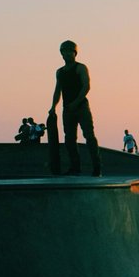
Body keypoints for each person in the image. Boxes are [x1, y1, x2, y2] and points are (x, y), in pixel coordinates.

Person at [49, 40, 101, 177]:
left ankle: (97, 167)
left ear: (74, 53)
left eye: (69, 51)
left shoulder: (80, 68)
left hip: (81, 107)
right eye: (64, 51)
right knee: (69, 139)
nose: (66, 54)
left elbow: (86, 86)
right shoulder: (59, 72)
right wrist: (53, 107)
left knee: (89, 136)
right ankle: (75, 167)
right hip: (67, 110)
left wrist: (76, 102)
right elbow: (57, 91)